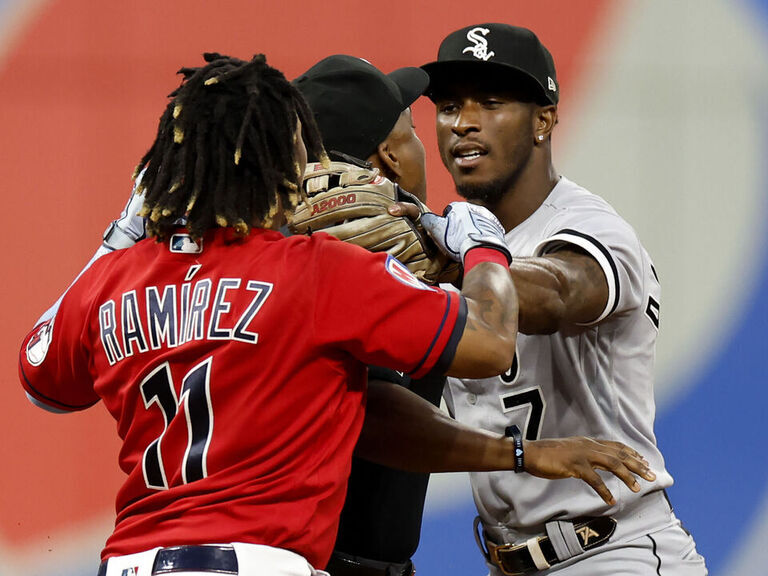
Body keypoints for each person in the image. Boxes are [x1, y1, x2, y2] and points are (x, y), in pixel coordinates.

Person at [18, 52, 654, 576]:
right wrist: (482, 244)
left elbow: (41, 377)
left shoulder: (117, 280)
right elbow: (490, 341)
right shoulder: (317, 270)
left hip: (128, 560)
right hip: (260, 560)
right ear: (281, 159)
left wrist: (123, 231)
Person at [411, 22, 709, 575]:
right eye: (449, 106)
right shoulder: (446, 252)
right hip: (510, 559)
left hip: (615, 553)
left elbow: (555, 293)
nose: (464, 123)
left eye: (493, 102)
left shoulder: (591, 226)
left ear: (544, 119)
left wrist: (454, 264)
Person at [293, 54, 441, 576]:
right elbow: (375, 416)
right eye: (412, 131)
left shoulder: (269, 261)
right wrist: (482, 251)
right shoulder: (343, 275)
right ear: (388, 159)